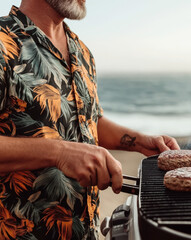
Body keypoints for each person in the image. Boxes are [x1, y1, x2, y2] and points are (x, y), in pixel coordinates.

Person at [0, 0, 180, 239]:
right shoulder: (4, 42)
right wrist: (59, 153)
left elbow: (88, 121)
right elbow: (63, 147)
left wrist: (137, 141)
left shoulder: (82, 52)